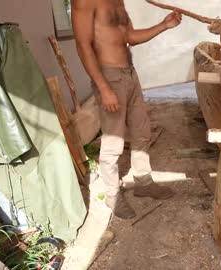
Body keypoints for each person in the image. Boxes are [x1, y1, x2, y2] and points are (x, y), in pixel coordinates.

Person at [72, 0, 182, 219]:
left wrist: (164, 25)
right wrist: (104, 88)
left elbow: (130, 37)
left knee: (142, 132)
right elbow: (82, 45)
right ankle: (112, 194)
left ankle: (143, 182)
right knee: (113, 142)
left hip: (130, 74)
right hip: (109, 77)